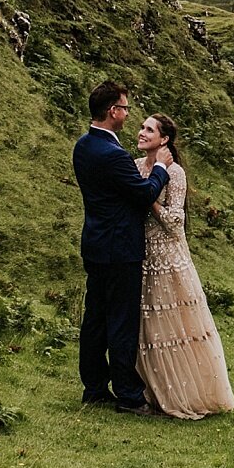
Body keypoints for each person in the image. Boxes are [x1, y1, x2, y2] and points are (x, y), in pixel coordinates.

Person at [74, 81, 172, 415]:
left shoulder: (83, 146)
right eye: (126, 108)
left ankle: (95, 387)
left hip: (96, 243)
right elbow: (143, 195)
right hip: (120, 248)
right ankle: (129, 395)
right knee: (121, 321)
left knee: (96, 319)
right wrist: (160, 168)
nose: (128, 114)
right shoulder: (113, 155)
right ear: (114, 111)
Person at [134, 113, 234, 419]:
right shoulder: (137, 166)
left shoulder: (175, 173)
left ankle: (184, 393)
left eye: (148, 129)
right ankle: (150, 391)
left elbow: (176, 221)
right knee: (148, 324)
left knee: (175, 325)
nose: (141, 132)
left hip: (168, 256)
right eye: (141, 127)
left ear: (164, 140)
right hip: (143, 254)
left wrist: (148, 197)